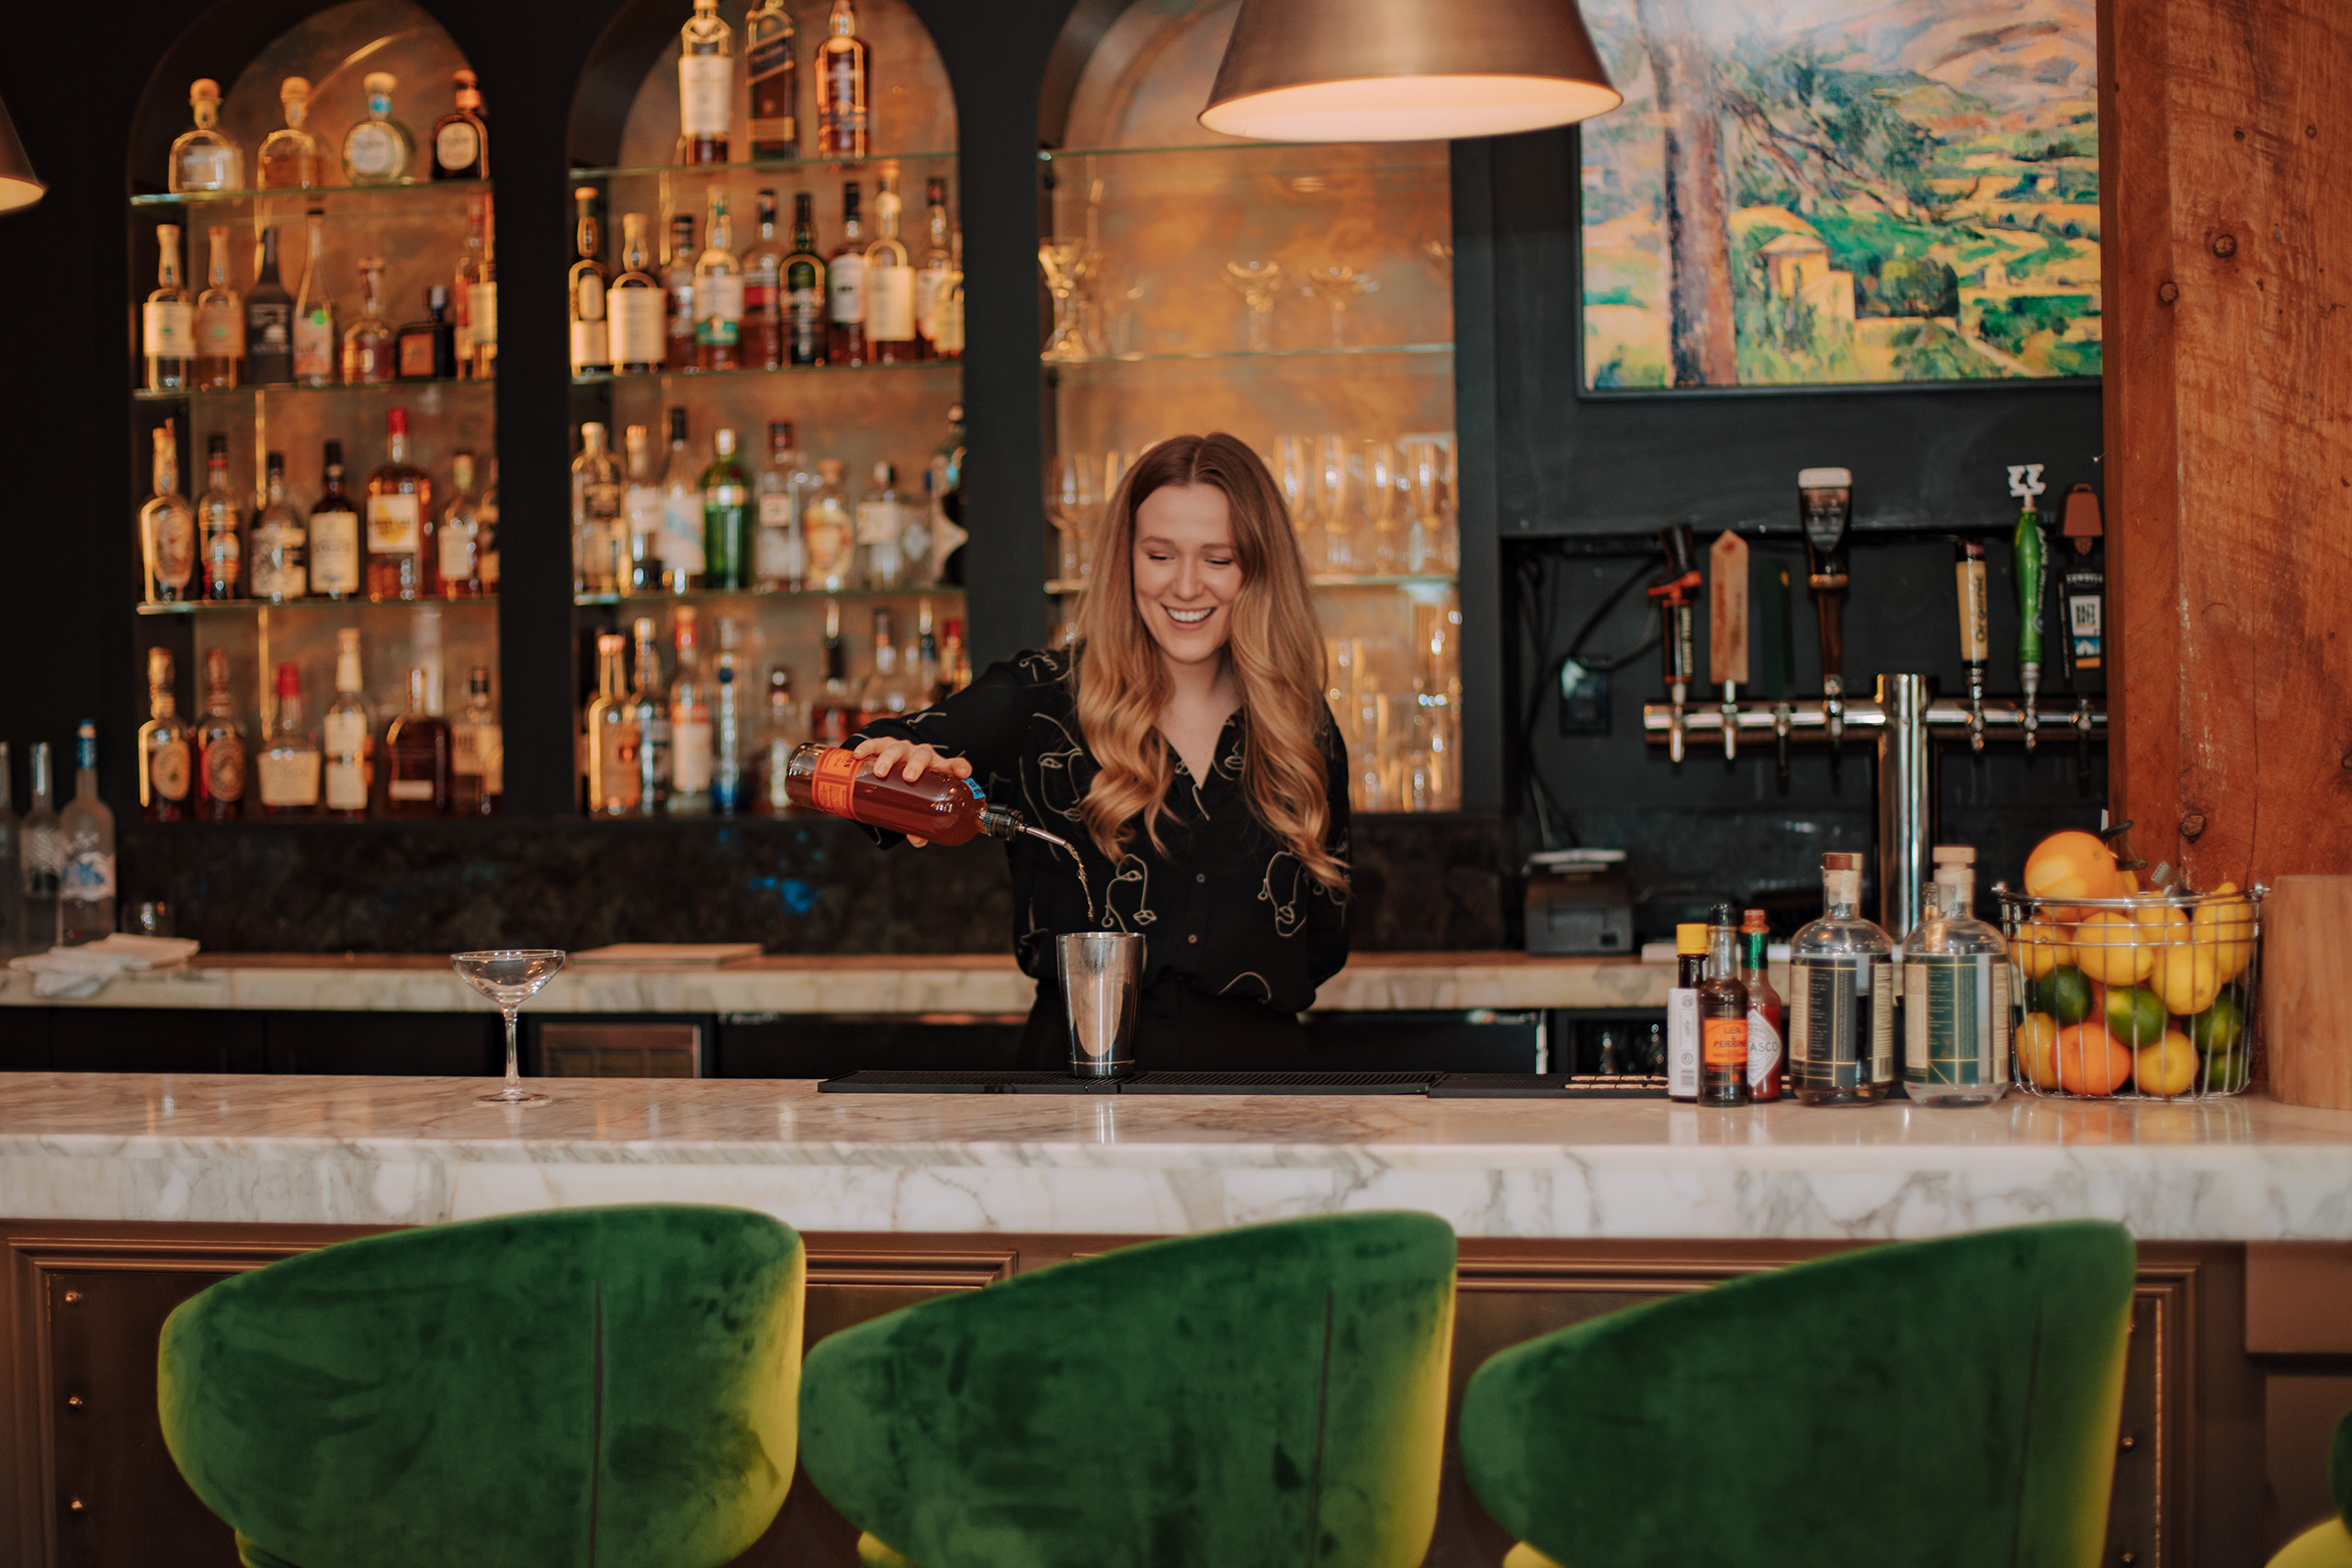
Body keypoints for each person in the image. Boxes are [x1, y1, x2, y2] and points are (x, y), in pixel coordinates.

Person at [851, 433, 1350, 1070]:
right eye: (1160, 554)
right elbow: (863, 760)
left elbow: (1325, 941)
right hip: (1074, 1093)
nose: (1188, 585)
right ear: (1126, 559)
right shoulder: (1042, 698)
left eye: (1219, 559)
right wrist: (892, 765)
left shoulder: (1301, 723)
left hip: (1260, 1098)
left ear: (1259, 568)